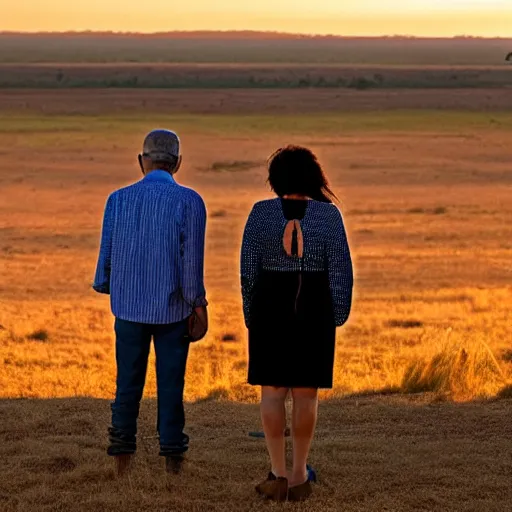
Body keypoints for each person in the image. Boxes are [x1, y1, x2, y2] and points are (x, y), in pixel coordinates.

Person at [241, 146, 353, 501]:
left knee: (272, 392)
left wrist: (251, 315)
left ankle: (277, 473)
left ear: (275, 179)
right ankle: (300, 472)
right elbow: (341, 272)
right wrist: (336, 315)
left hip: (269, 305)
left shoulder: (259, 214)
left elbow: (248, 272)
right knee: (306, 394)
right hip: (314, 306)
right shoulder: (328, 216)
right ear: (313, 178)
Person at [93, 129, 208, 476]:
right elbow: (191, 263)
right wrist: (198, 304)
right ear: (179, 163)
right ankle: (173, 459)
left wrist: (110, 286)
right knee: (172, 384)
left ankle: (121, 463)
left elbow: (105, 259)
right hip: (173, 310)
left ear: (141, 161)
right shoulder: (190, 201)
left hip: (127, 309)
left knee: (127, 383)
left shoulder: (117, 199)